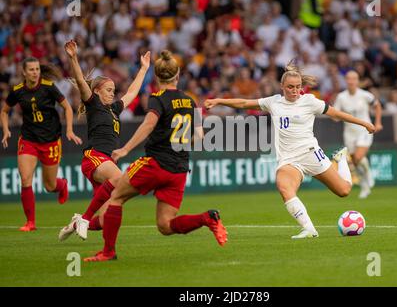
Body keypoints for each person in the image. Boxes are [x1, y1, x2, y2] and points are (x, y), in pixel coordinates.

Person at [204, 61, 376, 239]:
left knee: (344, 191)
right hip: (289, 160)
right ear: (282, 86)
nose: (295, 91)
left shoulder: (309, 101)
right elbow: (244, 103)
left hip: (311, 154)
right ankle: (309, 229)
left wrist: (363, 123)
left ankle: (341, 159)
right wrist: (218, 100)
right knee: (284, 187)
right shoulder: (273, 102)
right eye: (290, 87)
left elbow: (336, 114)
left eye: (298, 87)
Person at [83, 50, 227, 262]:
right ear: (177, 76)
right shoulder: (190, 101)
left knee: (116, 198)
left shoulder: (158, 98)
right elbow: (199, 137)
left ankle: (108, 252)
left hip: (155, 164)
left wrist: (125, 149)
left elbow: (149, 124)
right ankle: (207, 218)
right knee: (166, 225)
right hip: (179, 169)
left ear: (158, 78)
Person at [58, 40, 151, 241]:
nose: (112, 93)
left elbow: (132, 92)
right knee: (120, 180)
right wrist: (73, 58)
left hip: (106, 161)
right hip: (94, 157)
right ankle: (84, 218)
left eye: (113, 90)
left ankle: (77, 223)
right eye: (109, 90)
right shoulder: (93, 105)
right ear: (97, 91)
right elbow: (82, 82)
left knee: (106, 217)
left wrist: (143, 69)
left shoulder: (114, 109)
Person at [0, 57, 83, 231]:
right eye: (31, 69)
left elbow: (68, 108)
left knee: (49, 186)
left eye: (37, 69)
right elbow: (4, 111)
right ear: (24, 72)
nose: (35, 72)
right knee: (25, 179)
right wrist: (6, 130)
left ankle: (62, 185)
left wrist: (69, 130)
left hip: (50, 140)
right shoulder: (18, 90)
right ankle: (30, 222)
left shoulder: (48, 87)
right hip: (29, 139)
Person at [333, 71, 383, 199]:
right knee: (355, 161)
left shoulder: (365, 95)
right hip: (349, 133)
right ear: (346, 80)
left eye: (354, 79)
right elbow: (335, 114)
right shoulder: (341, 97)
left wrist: (377, 122)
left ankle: (367, 179)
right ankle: (365, 184)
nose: (351, 81)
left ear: (358, 80)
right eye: (348, 79)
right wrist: (336, 117)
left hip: (364, 131)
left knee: (358, 157)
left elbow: (377, 106)